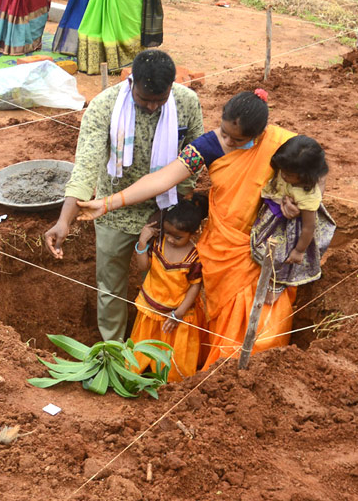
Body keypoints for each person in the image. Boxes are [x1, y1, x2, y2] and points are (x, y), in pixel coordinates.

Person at [73, 89, 300, 366]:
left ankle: (248, 375)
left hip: (264, 246)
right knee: (219, 314)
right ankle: (215, 370)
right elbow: (163, 179)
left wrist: (299, 200)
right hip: (222, 246)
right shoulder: (208, 146)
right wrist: (108, 203)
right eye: (224, 132)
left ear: (260, 133)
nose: (227, 141)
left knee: (261, 325)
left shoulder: (284, 146)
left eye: (237, 139)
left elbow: (314, 173)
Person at [45, 50, 203, 342]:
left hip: (164, 214)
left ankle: (155, 348)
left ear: (172, 87)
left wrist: (179, 211)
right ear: (132, 83)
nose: (154, 107)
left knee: (165, 284)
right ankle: (113, 349)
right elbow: (86, 167)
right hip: (111, 211)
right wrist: (64, 220)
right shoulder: (104, 107)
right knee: (110, 285)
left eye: (161, 99)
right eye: (145, 100)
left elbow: (192, 162)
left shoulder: (186, 102)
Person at [130, 195, 207, 380]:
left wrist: (178, 314)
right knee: (138, 356)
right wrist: (142, 242)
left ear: (194, 234)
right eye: (168, 233)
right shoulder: (158, 242)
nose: (171, 239)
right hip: (150, 308)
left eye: (178, 237)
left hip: (176, 315)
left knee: (173, 367)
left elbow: (194, 288)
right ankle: (134, 374)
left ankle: (171, 383)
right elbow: (143, 267)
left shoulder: (194, 257)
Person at [250, 135, 335, 289]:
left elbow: (308, 228)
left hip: (293, 230)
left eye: (288, 175)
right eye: (282, 171)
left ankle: (277, 284)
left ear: (305, 176)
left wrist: (298, 250)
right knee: (264, 245)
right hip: (275, 214)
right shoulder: (289, 168)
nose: (283, 175)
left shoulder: (308, 196)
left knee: (281, 258)